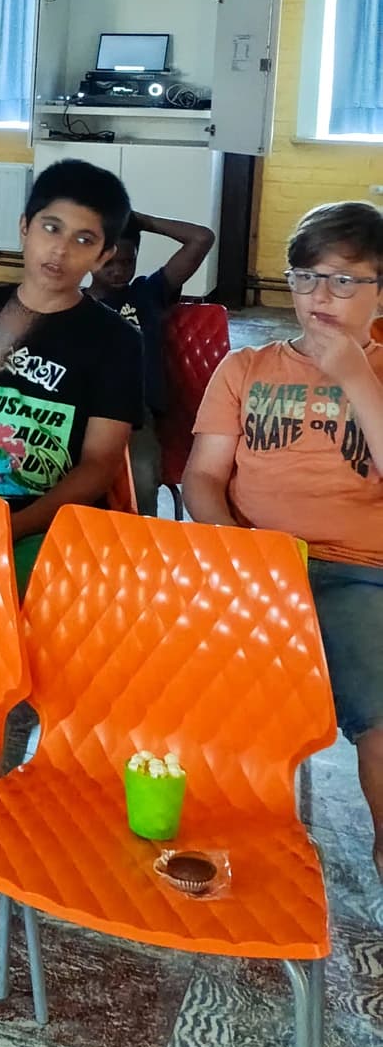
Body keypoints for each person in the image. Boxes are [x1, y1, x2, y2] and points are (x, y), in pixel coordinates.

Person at [182, 201, 383, 894]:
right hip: (252, 564)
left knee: (380, 709)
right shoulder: (246, 367)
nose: (319, 298)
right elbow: (203, 477)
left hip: (358, 573)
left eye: (344, 281)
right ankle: (233, 836)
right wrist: (237, 551)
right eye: (305, 278)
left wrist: (356, 375)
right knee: (208, 697)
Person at [0, 159, 143, 586]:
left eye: (84, 239)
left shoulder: (117, 340)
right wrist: (2, 337)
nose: (60, 249)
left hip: (52, 521)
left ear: (105, 255)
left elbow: (100, 465)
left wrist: (15, 525)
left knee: (8, 604)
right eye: (50, 228)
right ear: (25, 226)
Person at [87, 206, 216, 510]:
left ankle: (137, 541)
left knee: (142, 480)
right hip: (84, 408)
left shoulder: (147, 294)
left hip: (135, 413)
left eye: (127, 262)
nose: (119, 271)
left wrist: (142, 222)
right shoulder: (73, 303)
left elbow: (201, 238)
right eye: (108, 263)